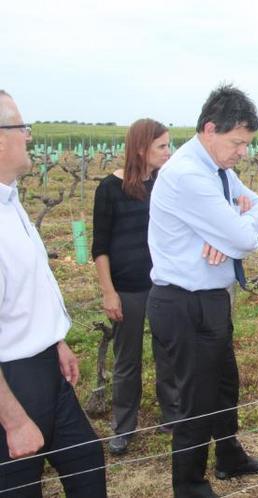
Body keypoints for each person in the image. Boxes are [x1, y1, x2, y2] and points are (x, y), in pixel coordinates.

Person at [147, 84, 258, 498]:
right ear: (209, 129)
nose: (243, 152)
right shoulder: (188, 174)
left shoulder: (219, 171)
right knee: (194, 400)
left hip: (211, 300)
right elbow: (248, 240)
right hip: (183, 303)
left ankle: (229, 456)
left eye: (247, 143)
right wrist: (235, 234)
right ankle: (188, 484)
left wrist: (235, 232)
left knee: (223, 385)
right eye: (238, 142)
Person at [0, 90, 107, 496]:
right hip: (12, 381)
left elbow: (26, 289)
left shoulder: (10, 200)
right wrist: (13, 421)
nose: (29, 136)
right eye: (21, 128)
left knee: (86, 462)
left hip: (45, 367)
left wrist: (54, 340)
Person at [92, 118, 180, 455]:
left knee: (168, 353)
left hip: (163, 284)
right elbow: (100, 247)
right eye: (161, 146)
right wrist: (108, 291)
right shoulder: (108, 189)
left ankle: (172, 414)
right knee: (127, 360)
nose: (167, 152)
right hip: (127, 288)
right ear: (141, 148)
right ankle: (124, 425)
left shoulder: (166, 184)